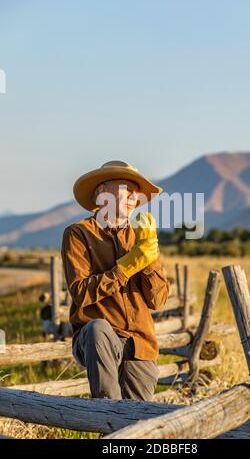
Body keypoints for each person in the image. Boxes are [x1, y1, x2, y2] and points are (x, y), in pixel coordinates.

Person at [61, 160, 170, 400]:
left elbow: (158, 300)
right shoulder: (78, 234)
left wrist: (148, 258)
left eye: (136, 190)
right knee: (98, 329)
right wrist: (127, 266)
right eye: (125, 188)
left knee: (139, 425)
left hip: (140, 343)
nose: (133, 195)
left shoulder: (142, 236)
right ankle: (107, 425)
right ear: (101, 193)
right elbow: (81, 292)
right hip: (96, 340)